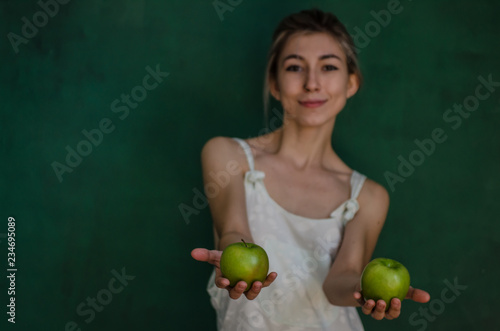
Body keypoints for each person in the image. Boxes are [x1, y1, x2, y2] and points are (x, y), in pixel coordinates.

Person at [191, 8, 430, 330]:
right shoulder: (226, 154)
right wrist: (232, 259)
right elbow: (234, 231)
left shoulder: (369, 196)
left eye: (328, 66)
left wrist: (365, 292)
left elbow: (339, 284)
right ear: (275, 84)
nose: (312, 83)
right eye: (294, 67)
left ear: (351, 82)